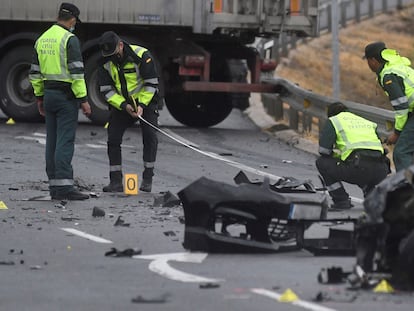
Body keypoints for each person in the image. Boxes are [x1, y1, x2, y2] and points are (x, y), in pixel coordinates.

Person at [29, 2, 91, 200]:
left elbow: (35, 73)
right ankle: (64, 187)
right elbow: (77, 72)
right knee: (65, 141)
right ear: (72, 20)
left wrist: (39, 97)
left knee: (52, 141)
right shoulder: (69, 39)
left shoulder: (42, 39)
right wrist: (83, 99)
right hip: (66, 97)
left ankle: (54, 186)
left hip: (48, 95)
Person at [98, 31, 159, 193]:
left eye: (114, 53)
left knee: (150, 136)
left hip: (145, 101)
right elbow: (106, 90)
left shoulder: (141, 55)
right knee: (113, 137)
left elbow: (151, 83)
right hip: (123, 104)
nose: (111, 57)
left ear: (120, 45)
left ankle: (148, 178)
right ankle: (116, 181)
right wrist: (124, 105)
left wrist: (142, 106)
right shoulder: (105, 61)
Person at [316, 102, 389, 210]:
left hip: (358, 168)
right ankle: (372, 198)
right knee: (365, 166)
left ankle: (341, 200)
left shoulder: (334, 120)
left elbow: (324, 151)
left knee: (322, 162)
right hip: (381, 169)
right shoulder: (367, 122)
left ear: (331, 114)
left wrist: (338, 155)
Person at [364, 41, 414, 171]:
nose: (368, 64)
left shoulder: (388, 76)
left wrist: (397, 133)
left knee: (401, 153)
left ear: (373, 60)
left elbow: (401, 107)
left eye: (368, 60)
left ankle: (406, 188)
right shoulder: (396, 66)